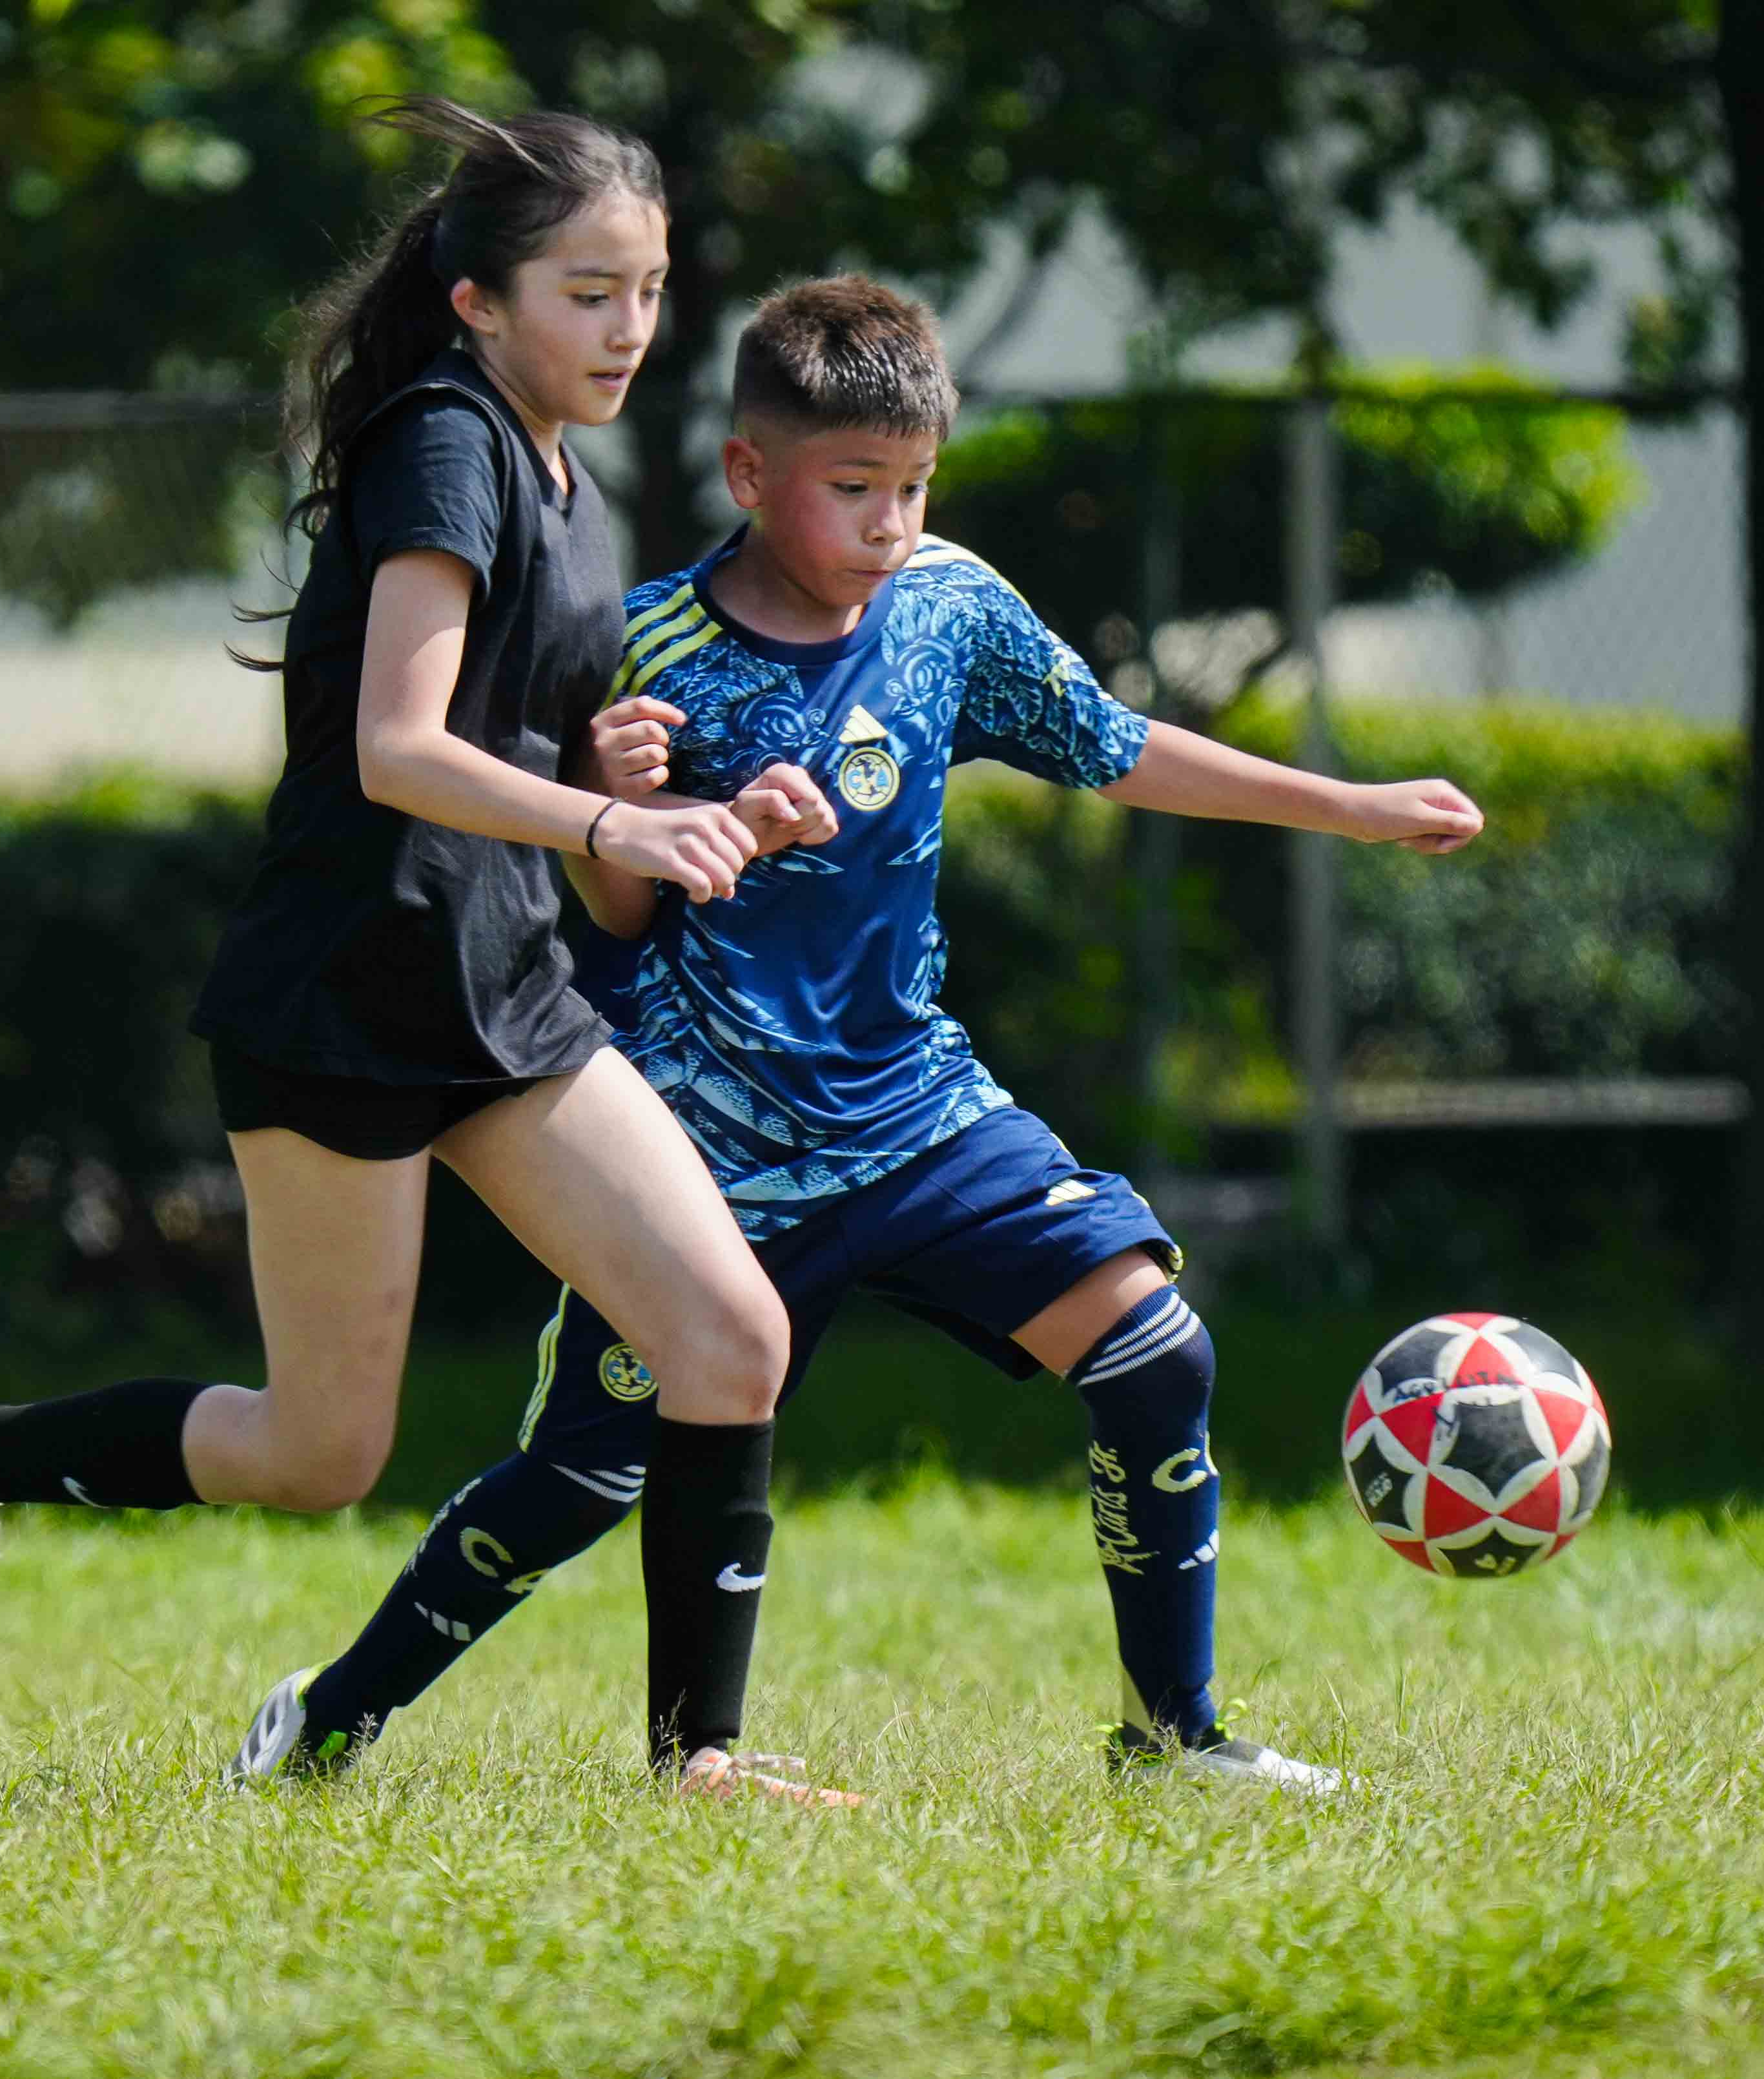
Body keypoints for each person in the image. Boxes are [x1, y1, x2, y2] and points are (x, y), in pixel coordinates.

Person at [232, 274, 1483, 1790]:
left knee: (1152, 1349)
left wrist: (1343, 804)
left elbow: (1108, 742)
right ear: (749, 475)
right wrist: (617, 818)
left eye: (912, 486)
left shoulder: (949, 604)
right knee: (574, 1479)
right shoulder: (642, 659)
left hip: (916, 1114)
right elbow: (599, 938)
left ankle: (1176, 1735)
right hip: (707, 1168)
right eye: (853, 489)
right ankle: (330, 1713)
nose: (889, 523)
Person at [0, 101, 852, 1805]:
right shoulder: (444, 442)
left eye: (648, 290)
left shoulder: (570, 475)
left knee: (726, 1336)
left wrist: (654, 787)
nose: (627, 330)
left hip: (507, 990)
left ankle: (700, 1761)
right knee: (319, 1449)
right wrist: (605, 825)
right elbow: (398, 745)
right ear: (480, 300)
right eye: (586, 293)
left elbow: (517, 752)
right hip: (345, 996)